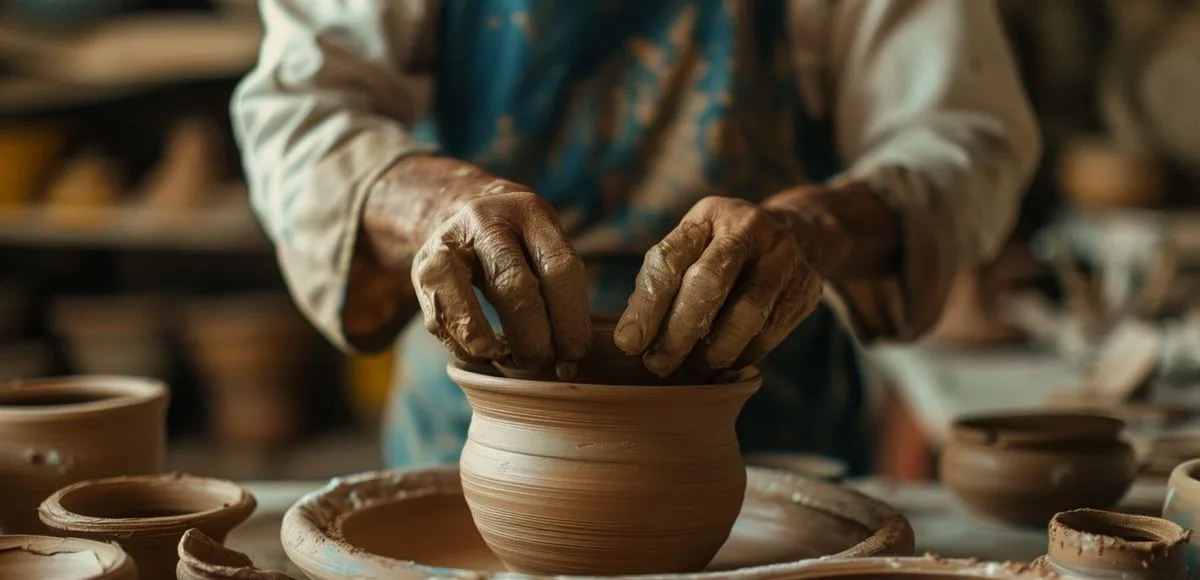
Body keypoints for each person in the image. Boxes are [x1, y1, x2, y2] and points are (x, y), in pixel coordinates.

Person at [233, 0, 1040, 473]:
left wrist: (814, 229)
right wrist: (435, 202)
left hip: (763, 421)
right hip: (482, 424)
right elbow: (299, 111)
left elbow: (963, 134)